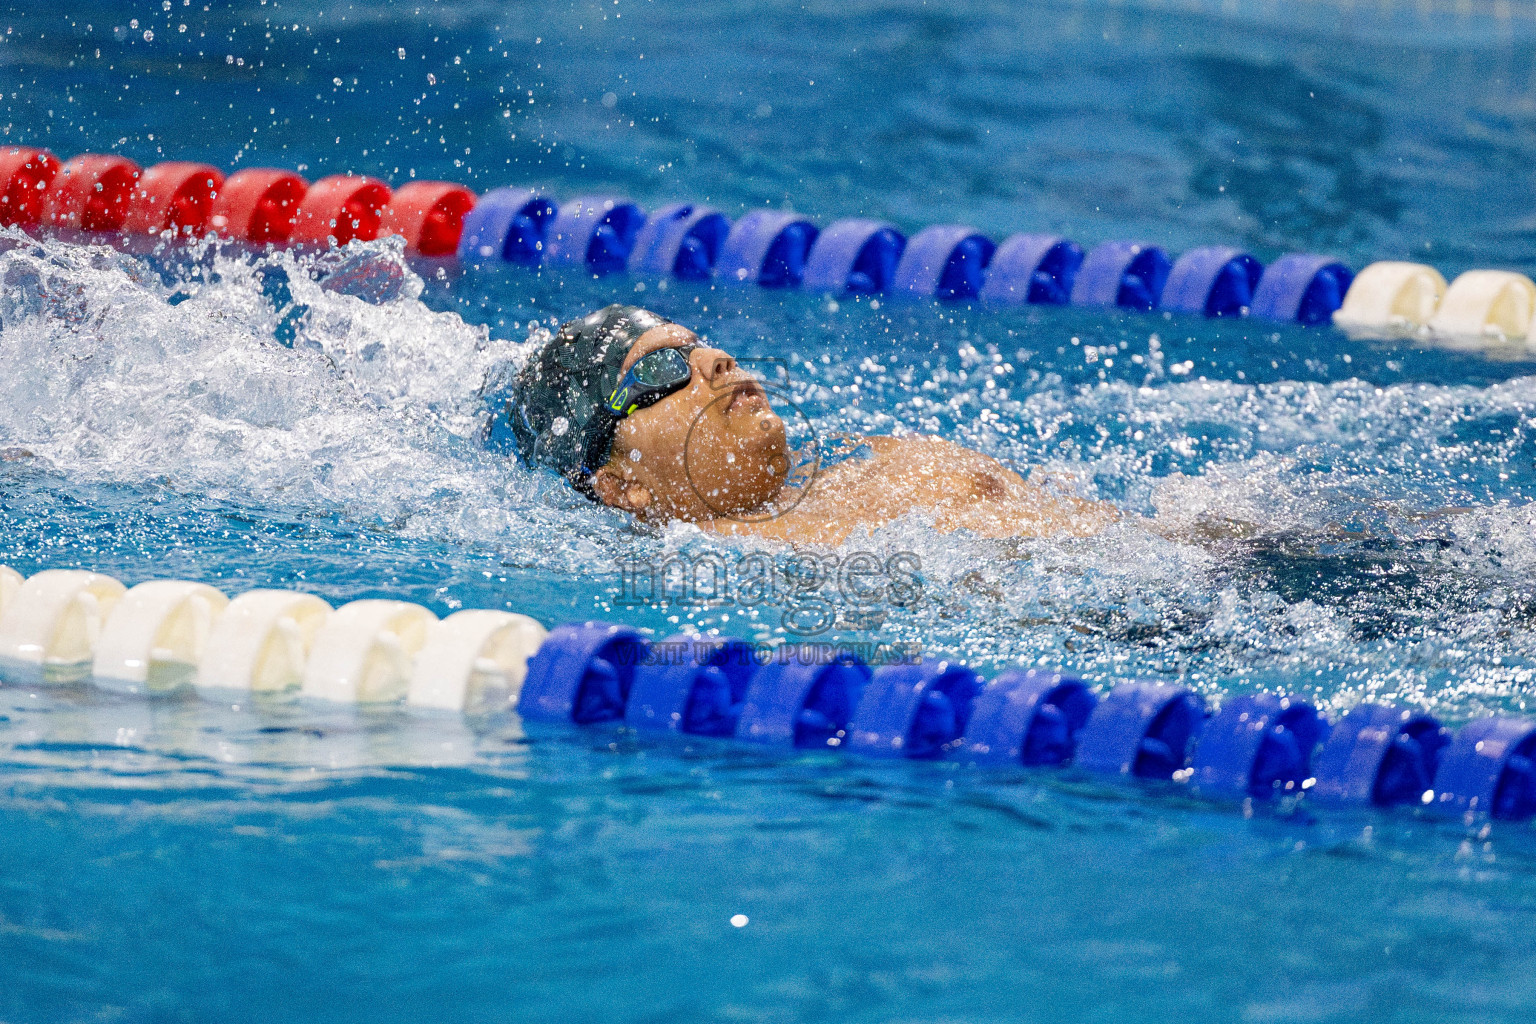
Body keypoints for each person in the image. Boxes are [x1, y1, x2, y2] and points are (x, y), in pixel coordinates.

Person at [500, 304, 1118, 544]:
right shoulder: (724, 554)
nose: (717, 359)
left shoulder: (859, 462)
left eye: (701, 344)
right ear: (621, 485)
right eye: (663, 366)